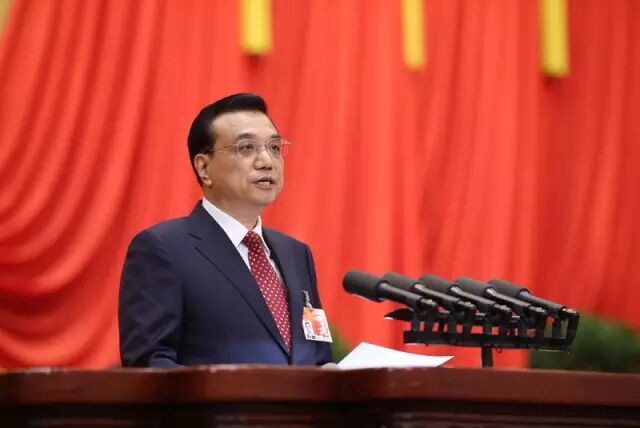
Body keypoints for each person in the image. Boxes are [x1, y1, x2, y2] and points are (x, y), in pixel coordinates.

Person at [118, 93, 332, 367]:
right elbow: (149, 365)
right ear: (204, 168)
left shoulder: (297, 254)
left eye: (274, 147)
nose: (267, 161)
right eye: (247, 148)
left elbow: (317, 357)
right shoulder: (163, 249)